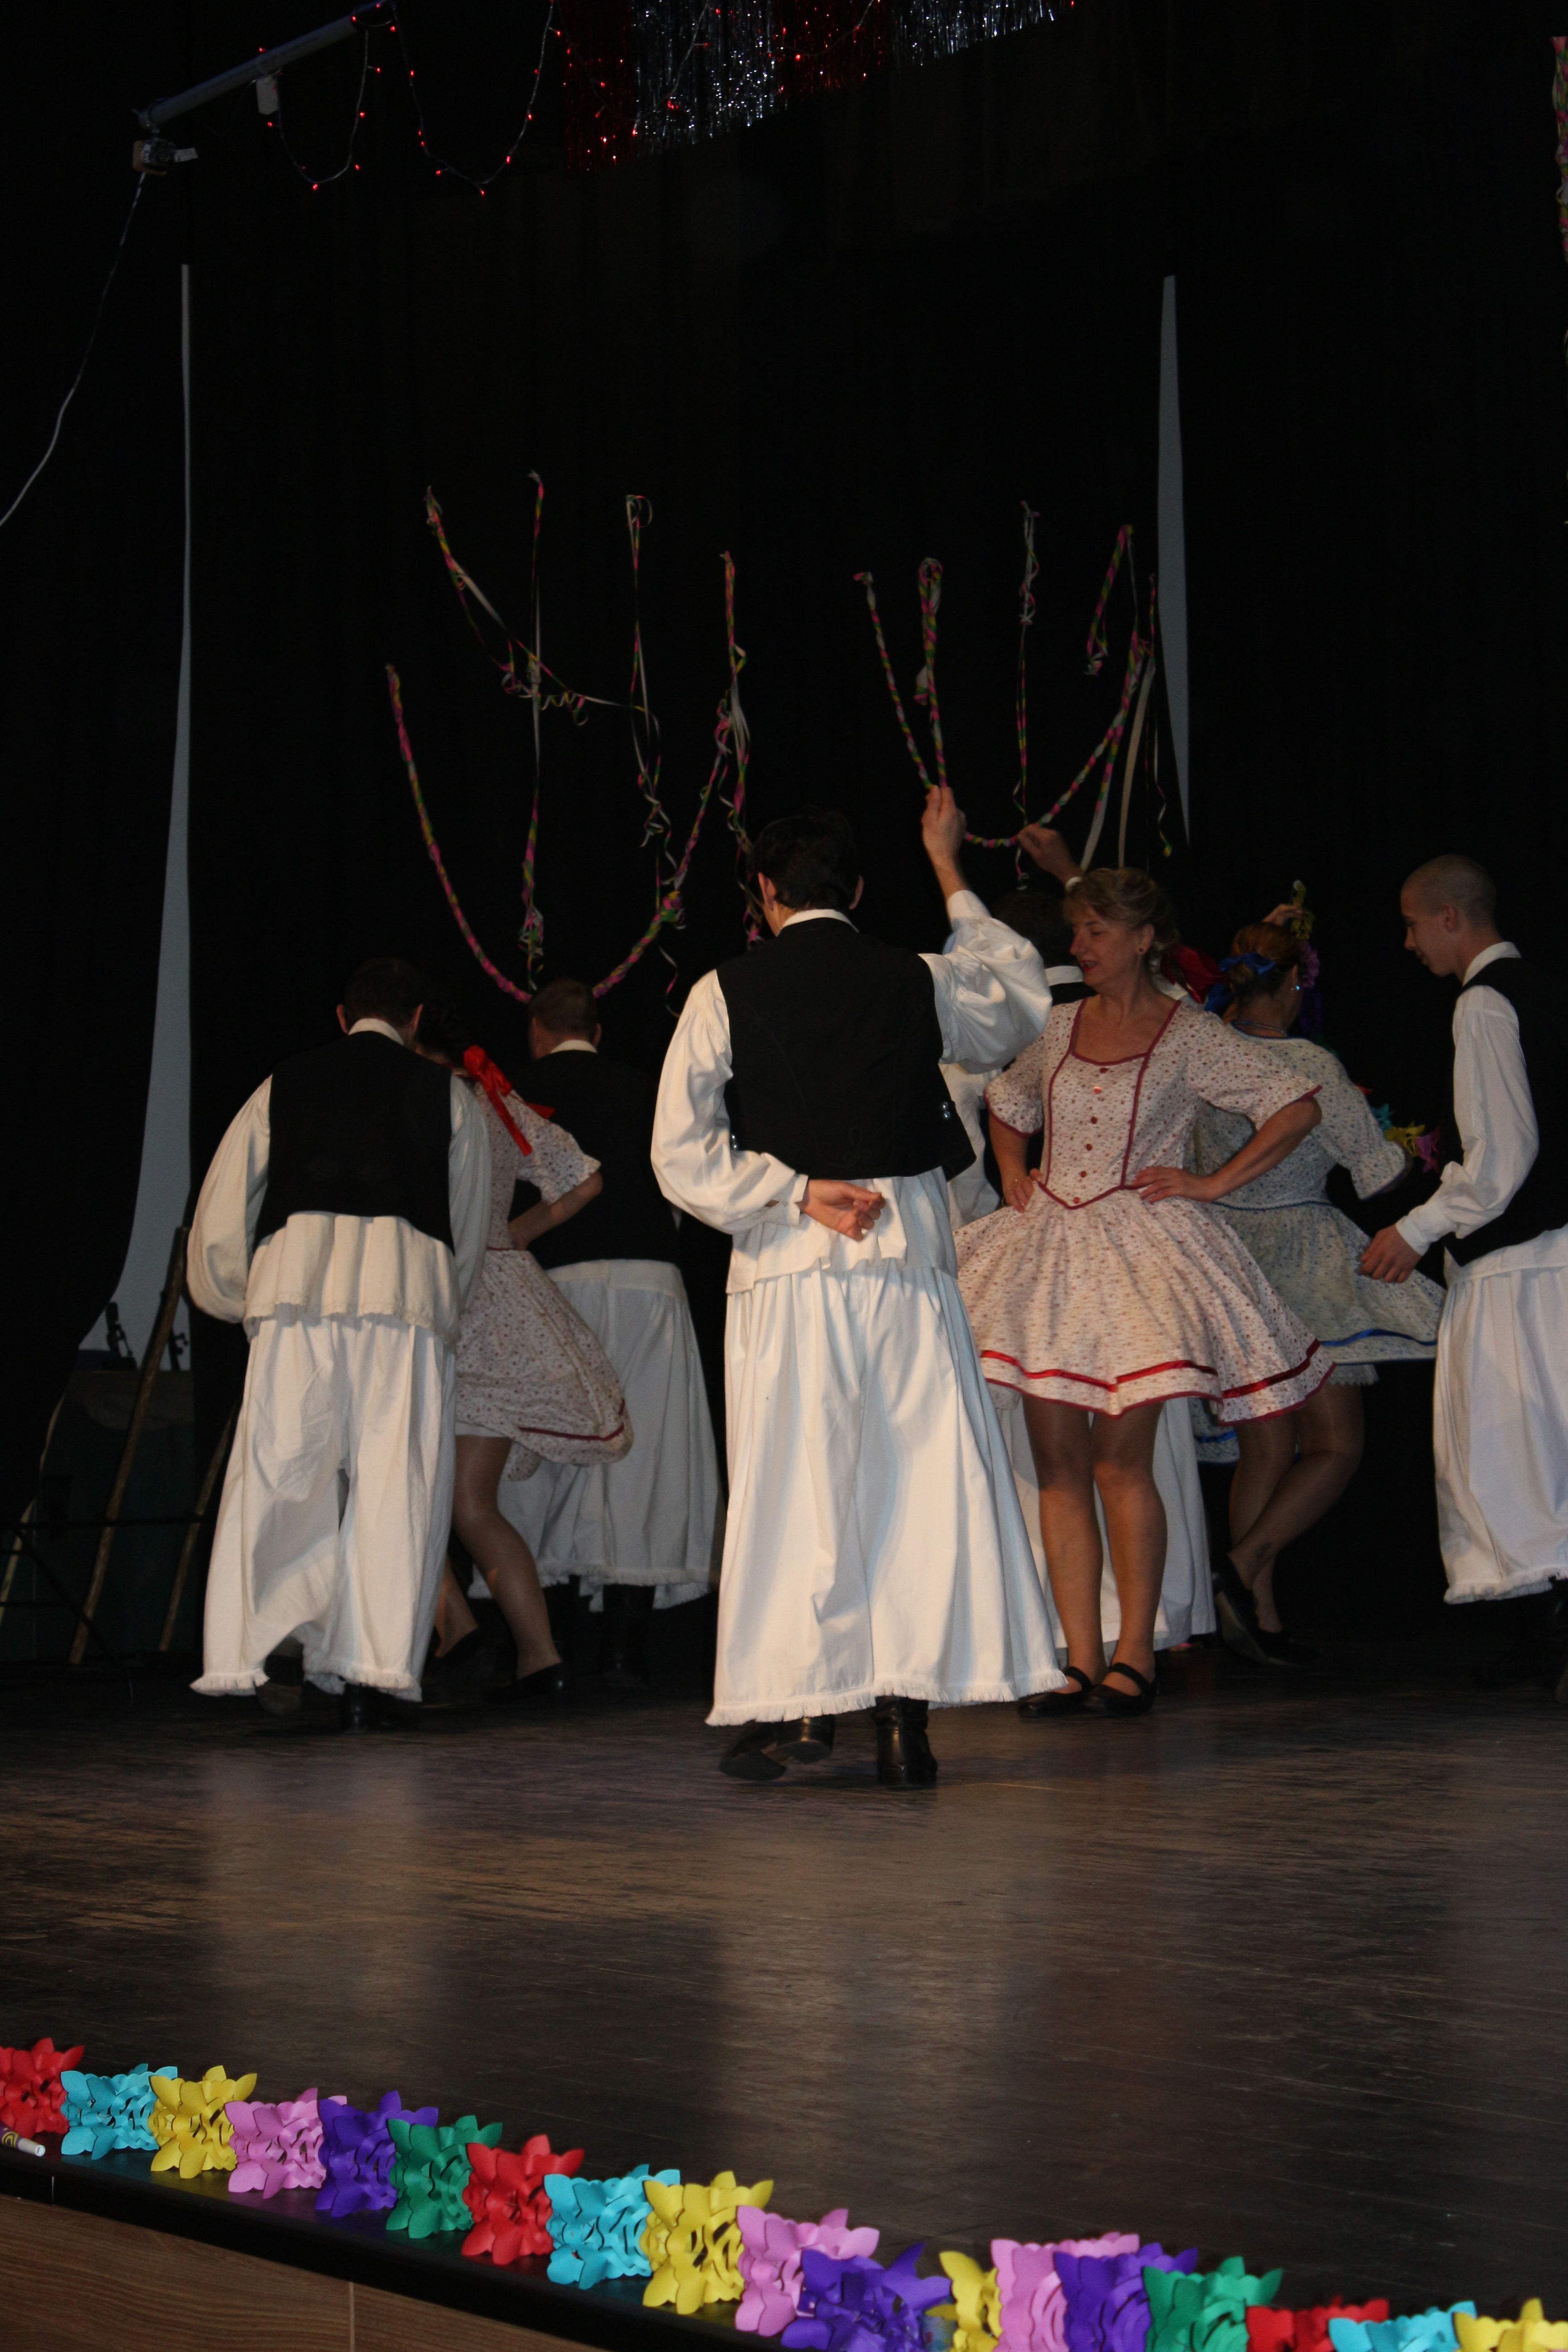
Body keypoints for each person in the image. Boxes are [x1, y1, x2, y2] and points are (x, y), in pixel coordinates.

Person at [652, 785, 1065, 1788]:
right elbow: (1022, 997)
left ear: (764, 892)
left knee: (801, 1485)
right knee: (915, 1482)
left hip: (792, 1260)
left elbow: (679, 1152)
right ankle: (901, 1725)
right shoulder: (919, 976)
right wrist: (951, 871)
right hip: (905, 1259)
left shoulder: (723, 990)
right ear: (860, 889)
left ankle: (805, 1703)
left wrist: (795, 1191)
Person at [956, 869, 1328, 1718]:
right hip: (1051, 1252)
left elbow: (1294, 1107)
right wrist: (1013, 1173)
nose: (1079, 946)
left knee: (1119, 1462)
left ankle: (1136, 1656)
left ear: (1141, 938)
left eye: (1095, 931)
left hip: (1138, 1254)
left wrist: (1210, 1182)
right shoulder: (1059, 1025)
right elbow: (1007, 1102)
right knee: (1058, 1466)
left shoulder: (1190, 1032)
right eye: (1077, 930)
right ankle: (1078, 1658)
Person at [186, 957, 490, 1731]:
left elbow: (224, 1202)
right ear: (416, 1020)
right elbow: (467, 1223)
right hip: (405, 1296)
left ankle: (253, 1659)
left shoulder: (283, 1083)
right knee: (398, 1481)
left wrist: (236, 1291)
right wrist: (443, 1304)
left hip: (298, 1291)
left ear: (342, 1016)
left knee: (282, 1470)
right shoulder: (450, 1098)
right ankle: (371, 1675)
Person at [1193, 921, 1443, 1666]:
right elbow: (1374, 1171)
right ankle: (1238, 1571)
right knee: (1336, 1444)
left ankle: (1260, 1619)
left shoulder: (1201, 1053)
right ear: (1296, 985)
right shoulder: (1308, 1064)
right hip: (1302, 1259)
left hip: (1228, 1260)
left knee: (1265, 1445)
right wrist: (1412, 1154)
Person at [1362, 856, 1568, 1683]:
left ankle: (1548, 1631)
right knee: (1546, 1443)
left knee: (1516, 1449)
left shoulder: (1485, 1001)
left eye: (1413, 924)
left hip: (1522, 1266)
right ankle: (1542, 1634)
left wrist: (1415, 1228)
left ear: (1450, 917)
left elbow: (1502, 1155)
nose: (1409, 943)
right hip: (1552, 1254)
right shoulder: (1547, 992)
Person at [485, 976, 723, 1677]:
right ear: (597, 1029)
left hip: (552, 1282)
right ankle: (624, 1647)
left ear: (536, 1032)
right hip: (650, 1280)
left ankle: (552, 1642)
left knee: (549, 1453)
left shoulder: (510, 1091)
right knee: (644, 1458)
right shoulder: (650, 1089)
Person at [414, 1001, 633, 1708]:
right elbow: (587, 1180)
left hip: (444, 1297)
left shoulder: (424, 1101)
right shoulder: (494, 1099)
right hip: (503, 1298)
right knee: (468, 1503)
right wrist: (515, 1234)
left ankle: (461, 1630)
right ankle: (534, 1657)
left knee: (395, 1486)